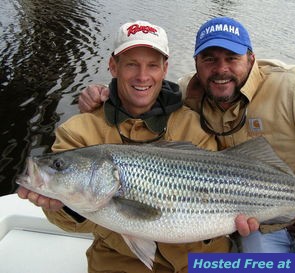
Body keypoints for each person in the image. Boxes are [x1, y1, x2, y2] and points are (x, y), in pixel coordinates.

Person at [78, 17, 295, 254]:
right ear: (197, 64)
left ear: (251, 58)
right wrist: (105, 94)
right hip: (254, 221)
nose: (221, 69)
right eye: (210, 59)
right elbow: (146, 93)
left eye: (231, 58)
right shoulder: (190, 93)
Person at [17, 20, 258, 273]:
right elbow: (68, 221)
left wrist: (239, 218)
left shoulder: (194, 125)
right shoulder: (78, 132)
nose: (142, 76)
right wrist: (62, 206)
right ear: (113, 66)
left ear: (165, 69)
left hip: (202, 259)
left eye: (152, 65)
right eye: (131, 64)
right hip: (119, 262)